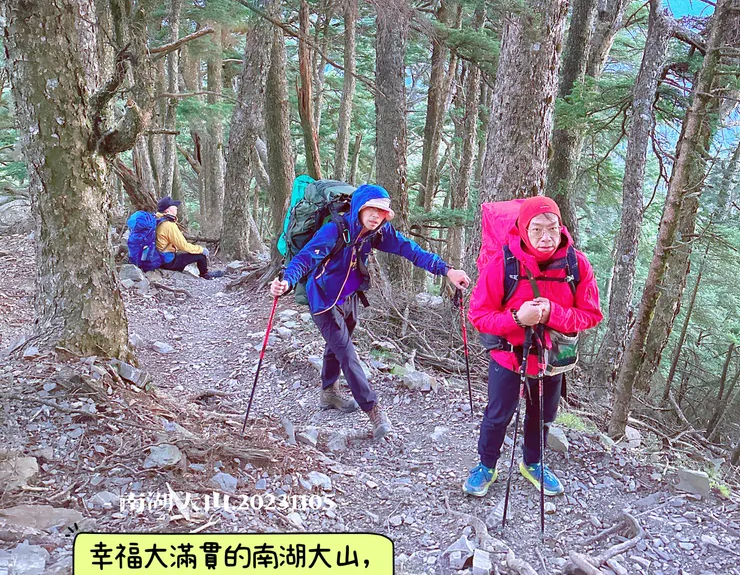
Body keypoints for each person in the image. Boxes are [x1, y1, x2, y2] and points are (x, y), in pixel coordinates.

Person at [270, 183, 470, 439]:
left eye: (382, 211)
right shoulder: (334, 230)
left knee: (337, 346)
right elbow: (305, 258)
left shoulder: (377, 233)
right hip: (322, 298)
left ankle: (328, 393)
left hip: (350, 294)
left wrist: (447, 270)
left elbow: (411, 250)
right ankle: (373, 410)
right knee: (347, 353)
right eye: (371, 209)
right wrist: (286, 281)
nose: (377, 215)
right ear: (359, 209)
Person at [463, 195, 602, 498]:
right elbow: (479, 316)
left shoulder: (576, 265)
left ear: (561, 227)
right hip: (508, 356)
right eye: (537, 229)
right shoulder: (503, 264)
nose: (545, 237)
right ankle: (486, 465)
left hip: (551, 360)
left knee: (542, 415)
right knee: (498, 414)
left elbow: (591, 315)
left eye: (551, 228)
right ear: (523, 229)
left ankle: (533, 463)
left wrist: (554, 312)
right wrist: (517, 318)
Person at [155, 197, 225, 280]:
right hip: (167, 262)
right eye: (174, 206)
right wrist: (201, 249)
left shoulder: (157, 220)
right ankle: (205, 274)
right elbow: (184, 246)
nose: (176, 208)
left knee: (184, 255)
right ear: (167, 211)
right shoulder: (169, 225)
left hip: (158, 258)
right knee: (201, 256)